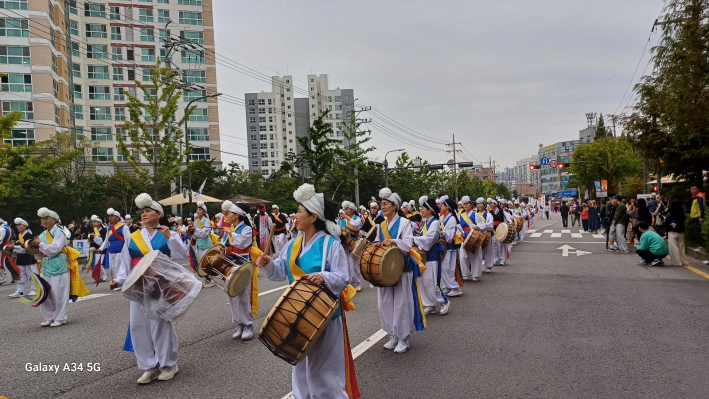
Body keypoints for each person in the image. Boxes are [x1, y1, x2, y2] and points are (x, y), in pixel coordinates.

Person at [255, 183, 359, 398]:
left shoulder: (331, 244)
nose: (295, 216)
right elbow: (279, 272)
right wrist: (267, 263)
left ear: (313, 217)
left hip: (325, 317)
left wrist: (323, 276)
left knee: (325, 376)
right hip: (297, 316)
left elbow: (343, 278)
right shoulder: (293, 244)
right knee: (300, 373)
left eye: (300, 211)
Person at [112, 193, 189, 384]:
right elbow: (126, 261)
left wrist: (170, 236)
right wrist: (120, 280)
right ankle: (149, 366)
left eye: (148, 211)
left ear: (159, 214)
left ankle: (169, 364)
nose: (144, 214)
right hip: (139, 286)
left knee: (161, 325)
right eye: (142, 212)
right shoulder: (134, 236)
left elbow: (181, 255)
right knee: (139, 326)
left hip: (161, 285)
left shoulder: (167, 234)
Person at [375, 187, 424, 352]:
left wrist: (394, 242)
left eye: (386, 203)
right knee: (386, 302)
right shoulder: (380, 225)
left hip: (401, 267)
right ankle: (393, 334)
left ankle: (404, 337)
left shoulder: (404, 223)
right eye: (381, 203)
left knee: (402, 302)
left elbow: (408, 244)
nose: (382, 207)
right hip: (385, 269)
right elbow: (376, 244)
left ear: (394, 205)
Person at [33, 207, 88, 326]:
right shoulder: (42, 234)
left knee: (59, 293)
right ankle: (49, 316)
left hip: (59, 265)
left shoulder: (59, 233)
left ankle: (60, 317)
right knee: (45, 292)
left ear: (54, 220)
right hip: (46, 266)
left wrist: (40, 244)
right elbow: (39, 255)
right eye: (43, 219)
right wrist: (34, 250)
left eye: (47, 218)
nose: (44, 221)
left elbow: (54, 250)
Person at [220, 200, 259, 341]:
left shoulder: (246, 229)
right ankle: (239, 324)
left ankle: (248, 324)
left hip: (242, 264)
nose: (226, 216)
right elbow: (224, 244)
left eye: (229, 213)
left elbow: (241, 243)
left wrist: (231, 233)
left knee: (243, 296)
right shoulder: (230, 228)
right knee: (232, 295)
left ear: (236, 215)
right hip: (229, 265)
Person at [413, 196, 449, 315]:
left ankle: (444, 302)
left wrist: (415, 239)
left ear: (429, 210)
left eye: (423, 208)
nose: (421, 210)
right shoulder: (425, 222)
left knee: (431, 281)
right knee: (423, 281)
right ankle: (429, 304)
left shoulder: (435, 223)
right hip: (423, 255)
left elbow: (429, 240)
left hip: (432, 255)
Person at [97, 208, 130, 284]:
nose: (110, 218)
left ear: (118, 217)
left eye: (112, 216)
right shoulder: (109, 227)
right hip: (112, 250)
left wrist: (126, 251)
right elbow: (106, 240)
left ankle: (119, 282)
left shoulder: (124, 227)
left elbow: (128, 240)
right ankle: (115, 282)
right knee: (113, 268)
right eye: (109, 217)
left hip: (121, 250)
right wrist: (100, 249)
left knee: (119, 267)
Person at [7, 218, 38, 298]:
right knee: (20, 275)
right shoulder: (19, 235)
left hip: (29, 257)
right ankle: (19, 291)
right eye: (17, 225)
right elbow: (18, 247)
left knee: (32, 274)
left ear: (25, 226)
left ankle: (34, 289)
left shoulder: (28, 235)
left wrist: (14, 247)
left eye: (20, 225)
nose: (18, 227)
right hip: (21, 257)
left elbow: (26, 248)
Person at [438, 195, 462, 297]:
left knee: (447, 268)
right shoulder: (446, 218)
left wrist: (442, 233)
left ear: (447, 206)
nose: (440, 206)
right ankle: (448, 286)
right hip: (447, 247)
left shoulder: (451, 219)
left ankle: (455, 287)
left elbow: (450, 236)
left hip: (449, 246)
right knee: (447, 268)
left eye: (442, 205)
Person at [192, 201, 215, 288]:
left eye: (200, 210)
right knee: (200, 262)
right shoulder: (196, 221)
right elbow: (195, 236)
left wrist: (195, 230)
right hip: (198, 244)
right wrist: (191, 232)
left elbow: (204, 234)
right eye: (197, 209)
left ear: (204, 212)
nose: (198, 211)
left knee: (206, 262)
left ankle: (210, 279)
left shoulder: (206, 221)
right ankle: (206, 279)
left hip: (205, 243)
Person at [457, 196, 480, 282]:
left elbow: (482, 224)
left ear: (471, 205)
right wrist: (460, 233)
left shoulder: (476, 214)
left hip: (474, 235)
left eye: (467, 204)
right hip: (464, 236)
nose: (465, 205)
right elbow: (458, 227)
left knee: (475, 255)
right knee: (463, 256)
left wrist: (477, 227)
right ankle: (465, 273)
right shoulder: (460, 216)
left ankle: (475, 275)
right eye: (464, 204)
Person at [663, 200, 690, 266]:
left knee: (674, 247)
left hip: (672, 231)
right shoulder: (682, 213)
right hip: (681, 231)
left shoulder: (671, 213)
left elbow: (666, 222)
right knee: (681, 247)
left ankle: (677, 262)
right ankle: (684, 261)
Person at [475, 197, 495, 273]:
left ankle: (488, 266)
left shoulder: (488, 214)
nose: (479, 206)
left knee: (488, 250)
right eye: (477, 204)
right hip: (478, 235)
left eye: (480, 204)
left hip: (488, 234)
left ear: (484, 205)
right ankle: (477, 267)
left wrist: (481, 226)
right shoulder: (476, 214)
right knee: (478, 251)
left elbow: (490, 225)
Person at [88, 215, 108, 282]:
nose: (93, 223)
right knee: (93, 264)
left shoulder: (104, 230)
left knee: (98, 263)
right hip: (93, 248)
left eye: (95, 222)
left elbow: (103, 241)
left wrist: (95, 237)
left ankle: (103, 275)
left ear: (99, 223)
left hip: (100, 249)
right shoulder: (92, 229)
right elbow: (90, 240)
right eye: (93, 222)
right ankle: (97, 277)